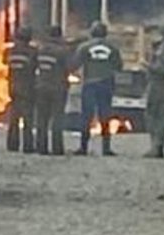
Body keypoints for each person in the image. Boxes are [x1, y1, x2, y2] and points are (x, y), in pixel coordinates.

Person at [71, 21, 122, 156]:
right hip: (106, 84)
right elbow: (119, 66)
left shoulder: (84, 47)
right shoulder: (113, 48)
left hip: (90, 84)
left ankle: (83, 148)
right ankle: (106, 148)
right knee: (105, 116)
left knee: (86, 116)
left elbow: (74, 64)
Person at [34, 26, 71, 156]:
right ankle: (57, 149)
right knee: (57, 118)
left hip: (41, 87)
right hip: (58, 88)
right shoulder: (62, 51)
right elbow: (70, 67)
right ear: (59, 36)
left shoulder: (40, 50)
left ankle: (41, 147)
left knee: (41, 118)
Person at [143, 33, 164, 159]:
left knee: (155, 116)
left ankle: (156, 146)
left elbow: (161, 70)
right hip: (160, 86)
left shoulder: (162, 51)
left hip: (158, 86)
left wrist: (147, 65)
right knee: (158, 116)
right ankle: (157, 146)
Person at [6, 26, 38, 153]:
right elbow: (35, 66)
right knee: (27, 119)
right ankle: (28, 146)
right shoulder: (32, 52)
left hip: (13, 87)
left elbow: (6, 63)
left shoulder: (10, 51)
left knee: (14, 118)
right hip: (27, 88)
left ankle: (12, 145)